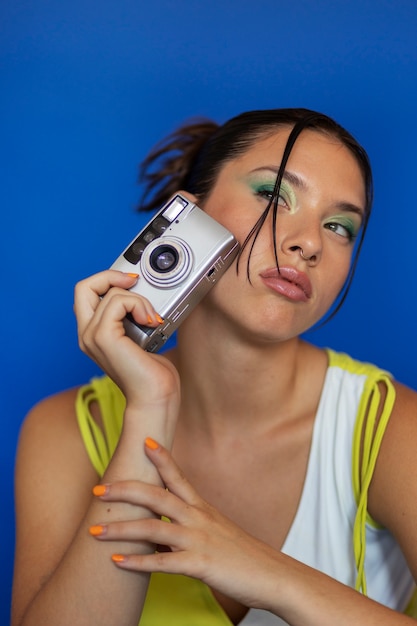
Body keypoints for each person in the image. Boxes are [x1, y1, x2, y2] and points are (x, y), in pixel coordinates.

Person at [11, 108, 417, 626]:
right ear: (185, 214)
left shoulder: (390, 429)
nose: (309, 242)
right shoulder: (64, 430)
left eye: (340, 226)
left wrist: (268, 572)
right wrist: (149, 406)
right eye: (274, 195)